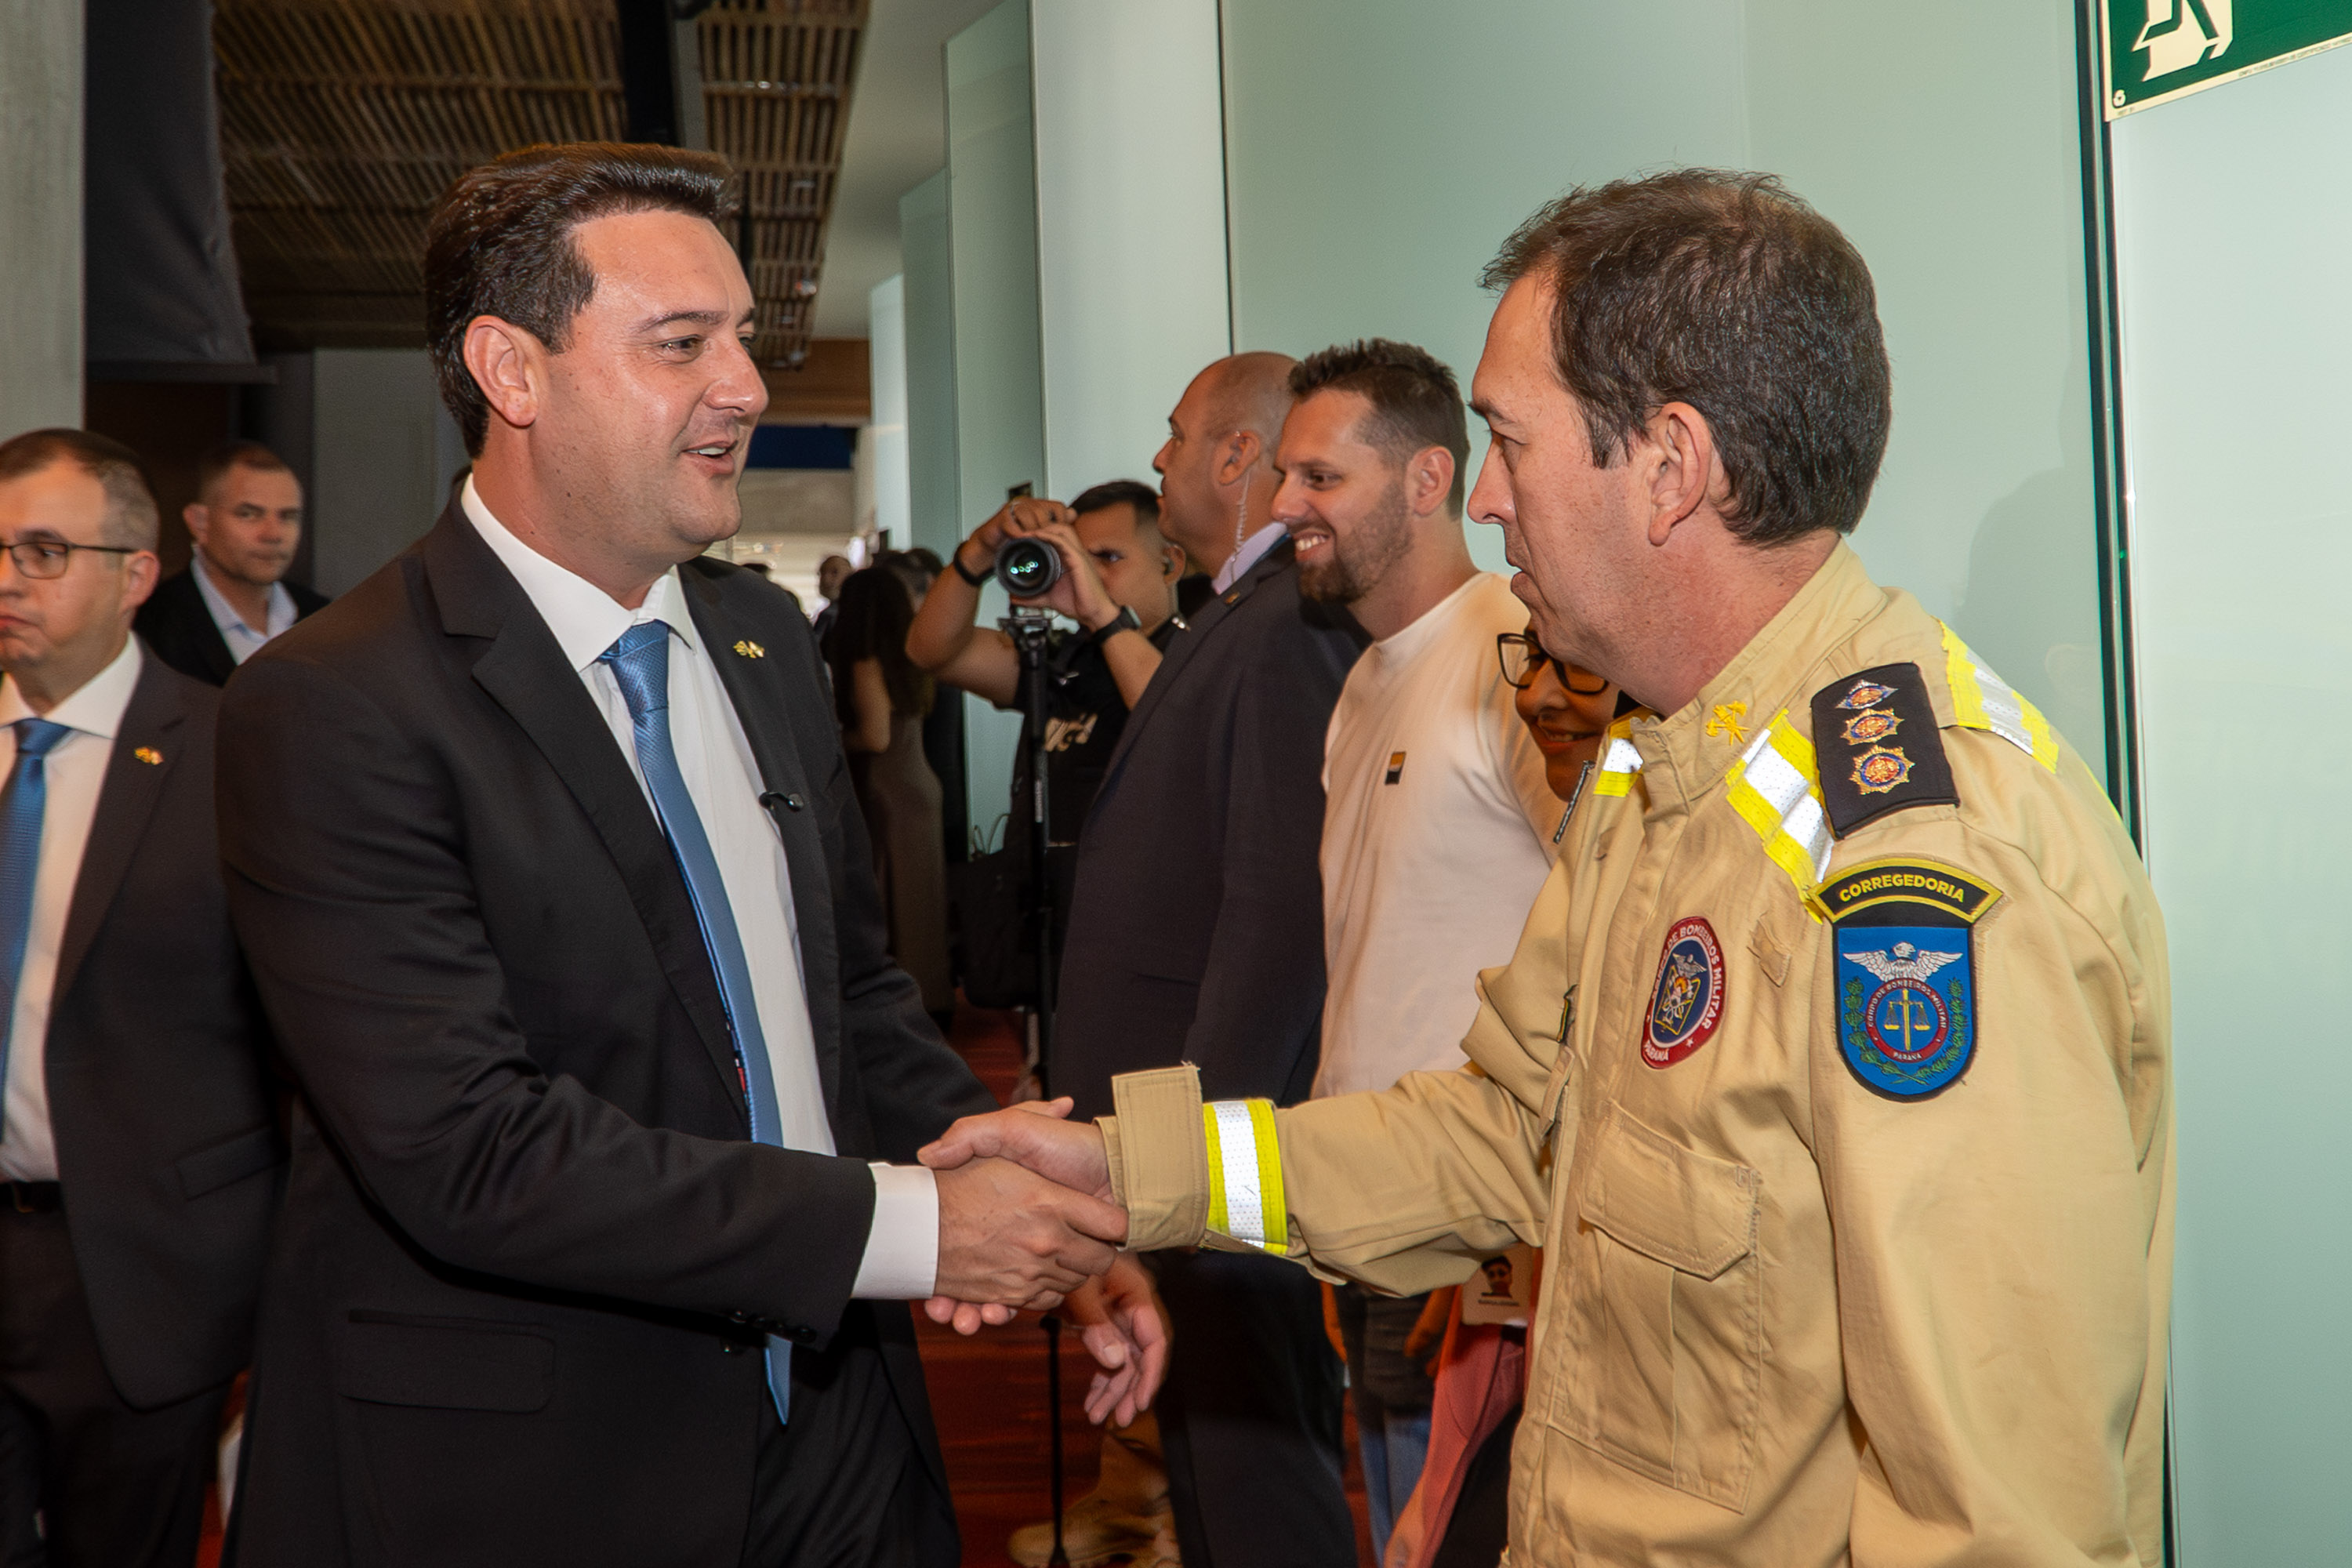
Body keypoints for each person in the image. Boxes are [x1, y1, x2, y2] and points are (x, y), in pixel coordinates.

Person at [925, 170, 2173, 1567]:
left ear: (1671, 467)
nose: (1487, 498)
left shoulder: (1920, 873)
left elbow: (1993, 1523)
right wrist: (1118, 1164)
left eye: (1511, 443)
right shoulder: (1661, 772)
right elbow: (1497, 1136)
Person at [211, 142, 1143, 1568]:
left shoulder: (760, 641)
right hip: (551, 1463)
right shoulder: (336, 701)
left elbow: (849, 996)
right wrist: (921, 1230)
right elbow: (470, 1149)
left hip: (839, 1420)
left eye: (745, 340)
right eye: (682, 343)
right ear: (511, 372)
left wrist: (1034, 1205)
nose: (749, 387)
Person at [1051, 353, 1369, 1568]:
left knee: (1253, 1482)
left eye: (1179, 434)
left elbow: (1276, 912)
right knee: (1211, 1465)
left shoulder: (1286, 621)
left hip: (1214, 1147)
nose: (1160, 456)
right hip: (1179, 1137)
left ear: (1238, 454)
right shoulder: (1238, 610)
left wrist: (1199, 1157)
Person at [1269, 337, 1561, 1561]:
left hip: (1470, 1216)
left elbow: (1603, 917)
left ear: (1428, 478)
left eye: (1321, 478)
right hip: (1370, 1195)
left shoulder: (1515, 659)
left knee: (1447, 1530)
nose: (1285, 506)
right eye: (1286, 476)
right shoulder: (1364, 681)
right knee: (1401, 1525)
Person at [0, 430, 281, 1567]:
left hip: (140, 1278)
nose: (8, 577)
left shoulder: (231, 754)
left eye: (44, 550)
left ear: (136, 575)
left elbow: (293, 1045)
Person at [906, 479, 1186, 935]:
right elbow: (933, 652)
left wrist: (1101, 615)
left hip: (1137, 916)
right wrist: (979, 552)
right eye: (1079, 558)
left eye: (1108, 558)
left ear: (1170, 564)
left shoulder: (1191, 656)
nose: (1090, 575)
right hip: (1045, 914)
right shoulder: (1062, 657)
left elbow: (1174, 721)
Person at [827, 565, 954, 1021]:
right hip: (920, 784)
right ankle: (934, 998)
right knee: (923, 905)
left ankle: (901, 1010)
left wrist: (832, 740)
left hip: (886, 790)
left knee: (890, 903)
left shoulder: (866, 661)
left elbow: (875, 737)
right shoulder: (912, 658)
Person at [133, 440, 328, 686]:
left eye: (288, 516)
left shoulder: (327, 622)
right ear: (200, 523)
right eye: (249, 514)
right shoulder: (149, 629)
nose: (273, 534)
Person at [811, 550, 853, 649]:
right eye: (822, 573)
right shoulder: (827, 614)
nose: (826, 579)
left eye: (834, 573)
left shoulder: (850, 614)